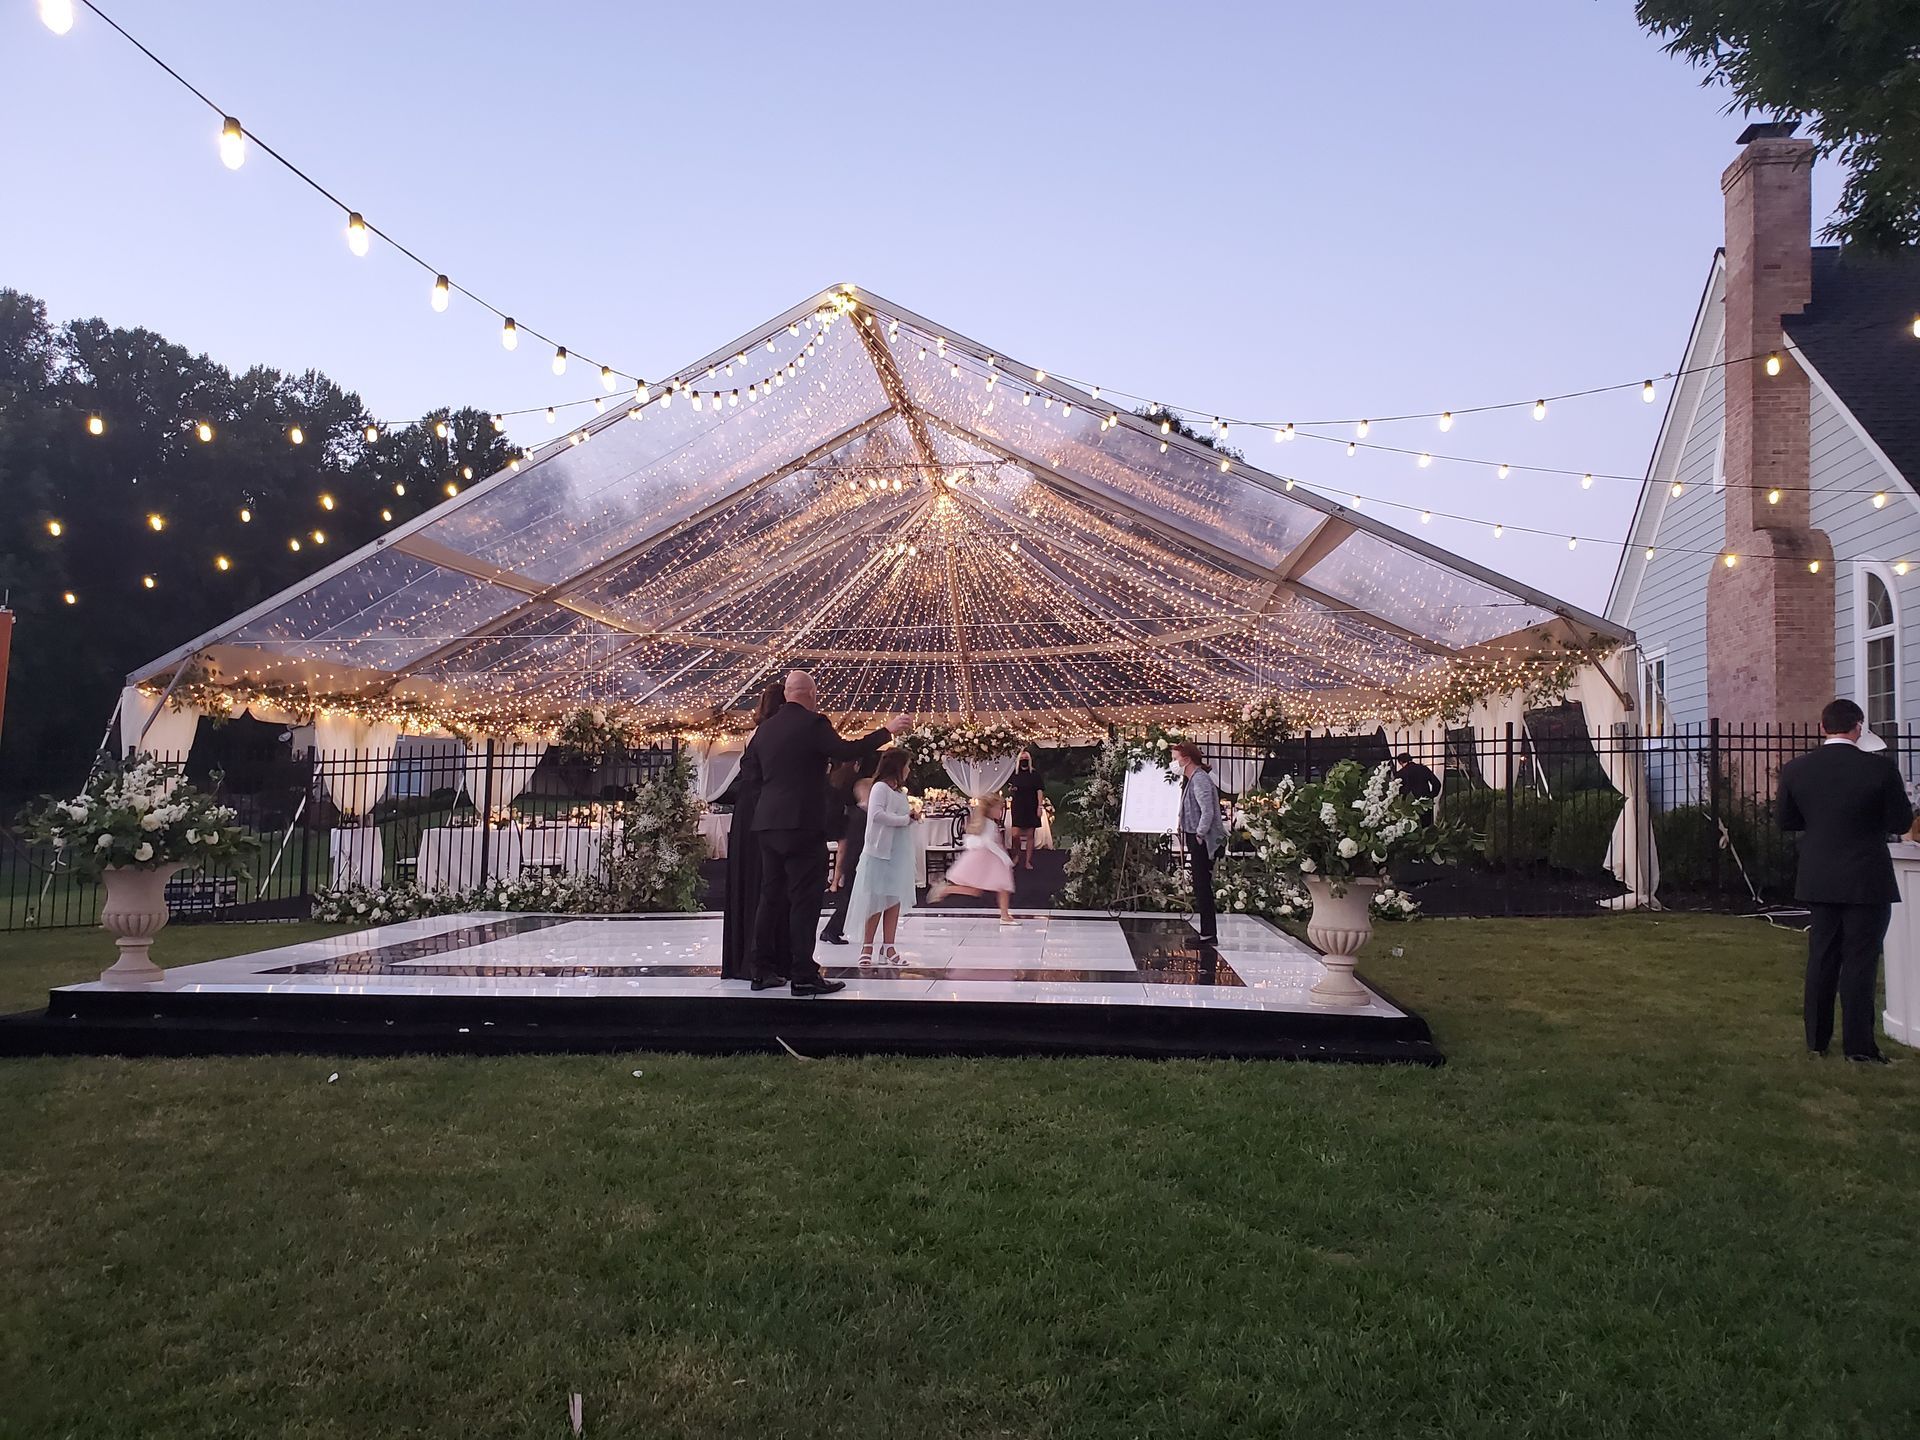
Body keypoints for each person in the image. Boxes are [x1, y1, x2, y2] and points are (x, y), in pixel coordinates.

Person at [745, 671, 908, 995]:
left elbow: (750, 773)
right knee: (805, 899)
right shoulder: (813, 723)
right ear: (808, 694)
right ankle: (803, 974)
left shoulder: (764, 729)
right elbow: (847, 751)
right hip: (803, 824)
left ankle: (761, 970)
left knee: (771, 897)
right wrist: (885, 731)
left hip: (767, 823)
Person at [1776, 698, 1915, 1064]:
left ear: (1823, 727)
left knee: (1821, 956)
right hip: (1867, 877)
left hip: (1819, 875)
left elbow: (1786, 821)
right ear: (1858, 727)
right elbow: (1901, 822)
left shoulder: (1796, 770)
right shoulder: (1880, 770)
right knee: (1861, 961)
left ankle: (1817, 1040)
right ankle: (1859, 1047)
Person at [715, 683, 788, 982]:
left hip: (747, 813)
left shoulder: (755, 733)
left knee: (754, 882)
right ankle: (764, 960)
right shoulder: (774, 734)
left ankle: (749, 957)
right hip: (762, 813)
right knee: (766, 885)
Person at [846, 748, 918, 965]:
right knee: (875, 899)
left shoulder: (899, 792)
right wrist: (905, 819)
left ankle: (889, 946)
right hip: (879, 851)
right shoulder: (879, 788)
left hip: (897, 851)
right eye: (906, 765)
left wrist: (910, 817)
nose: (908, 770)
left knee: (893, 899)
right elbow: (876, 815)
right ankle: (867, 947)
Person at [928, 794, 1019, 924]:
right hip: (987, 858)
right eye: (999, 808)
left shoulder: (987, 823)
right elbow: (989, 843)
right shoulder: (989, 824)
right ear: (990, 809)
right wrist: (1005, 858)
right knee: (991, 887)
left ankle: (1004, 915)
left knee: (998, 886)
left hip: (989, 857)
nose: (1001, 812)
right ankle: (945, 889)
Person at [1173, 741, 1227, 944]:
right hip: (1195, 836)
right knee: (1199, 884)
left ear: (1187, 759)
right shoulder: (1194, 779)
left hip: (1202, 839)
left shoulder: (1200, 780)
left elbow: (1208, 810)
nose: (1174, 763)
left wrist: (1199, 833)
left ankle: (1208, 933)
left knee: (1202, 885)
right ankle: (1207, 931)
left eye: (1176, 759)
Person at [819, 771, 872, 946]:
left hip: (854, 861)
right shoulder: (860, 816)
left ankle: (834, 929)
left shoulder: (856, 814)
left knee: (851, 898)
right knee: (849, 899)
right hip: (855, 862)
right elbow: (848, 845)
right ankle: (831, 930)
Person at [1006, 752, 1045, 871]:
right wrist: (1011, 789)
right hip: (1018, 806)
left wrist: (1039, 806)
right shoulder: (1015, 774)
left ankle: (1028, 861)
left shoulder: (1034, 774)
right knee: (1015, 834)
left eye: (1026, 758)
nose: (1024, 760)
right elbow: (1010, 787)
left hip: (1031, 806)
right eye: (1022, 758)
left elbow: (1039, 791)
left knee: (1030, 835)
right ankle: (1016, 856)